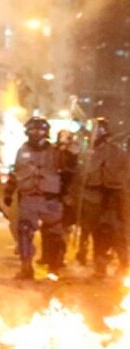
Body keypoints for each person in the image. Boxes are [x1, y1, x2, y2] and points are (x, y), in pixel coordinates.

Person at [3, 117, 68, 279]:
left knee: (54, 234)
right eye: (33, 130)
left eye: (40, 130)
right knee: (24, 231)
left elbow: (69, 173)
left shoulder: (57, 152)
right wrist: (8, 192)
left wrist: (68, 196)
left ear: (46, 132)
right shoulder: (22, 150)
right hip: (28, 198)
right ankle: (26, 268)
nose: (36, 133)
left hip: (51, 199)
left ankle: (54, 267)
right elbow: (15, 172)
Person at [78, 117, 127, 278]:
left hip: (111, 197)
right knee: (97, 233)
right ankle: (100, 267)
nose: (94, 135)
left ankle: (124, 264)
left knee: (115, 232)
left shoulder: (114, 151)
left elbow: (120, 174)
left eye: (97, 132)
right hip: (92, 199)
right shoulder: (86, 152)